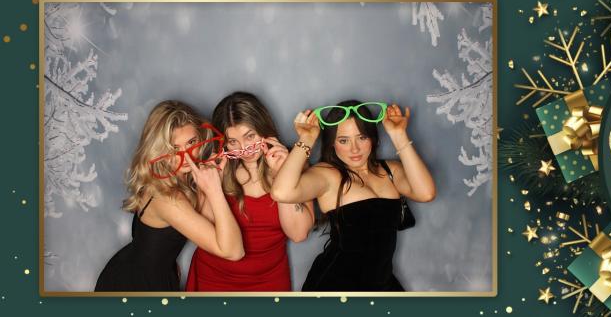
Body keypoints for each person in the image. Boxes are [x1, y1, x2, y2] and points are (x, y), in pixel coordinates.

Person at [271, 101, 436, 291]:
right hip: (335, 287)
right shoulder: (328, 175)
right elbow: (281, 192)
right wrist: (307, 139)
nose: (354, 149)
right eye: (343, 140)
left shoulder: (390, 170)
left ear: (372, 138)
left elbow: (426, 193)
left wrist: (399, 135)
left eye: (362, 137)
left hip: (381, 284)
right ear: (333, 144)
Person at [95, 101, 243, 291]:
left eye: (191, 143)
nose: (186, 155)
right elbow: (233, 251)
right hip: (133, 284)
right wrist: (215, 191)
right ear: (159, 150)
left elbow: (208, 221)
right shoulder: (168, 197)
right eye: (174, 149)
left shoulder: (173, 177)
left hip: (152, 273)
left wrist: (212, 181)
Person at [185, 92, 314, 291]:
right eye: (233, 142)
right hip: (213, 280)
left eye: (250, 136)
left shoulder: (294, 162)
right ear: (223, 142)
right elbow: (208, 231)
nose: (244, 148)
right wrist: (213, 188)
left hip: (269, 282)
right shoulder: (214, 170)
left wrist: (282, 175)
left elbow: (298, 234)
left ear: (263, 129)